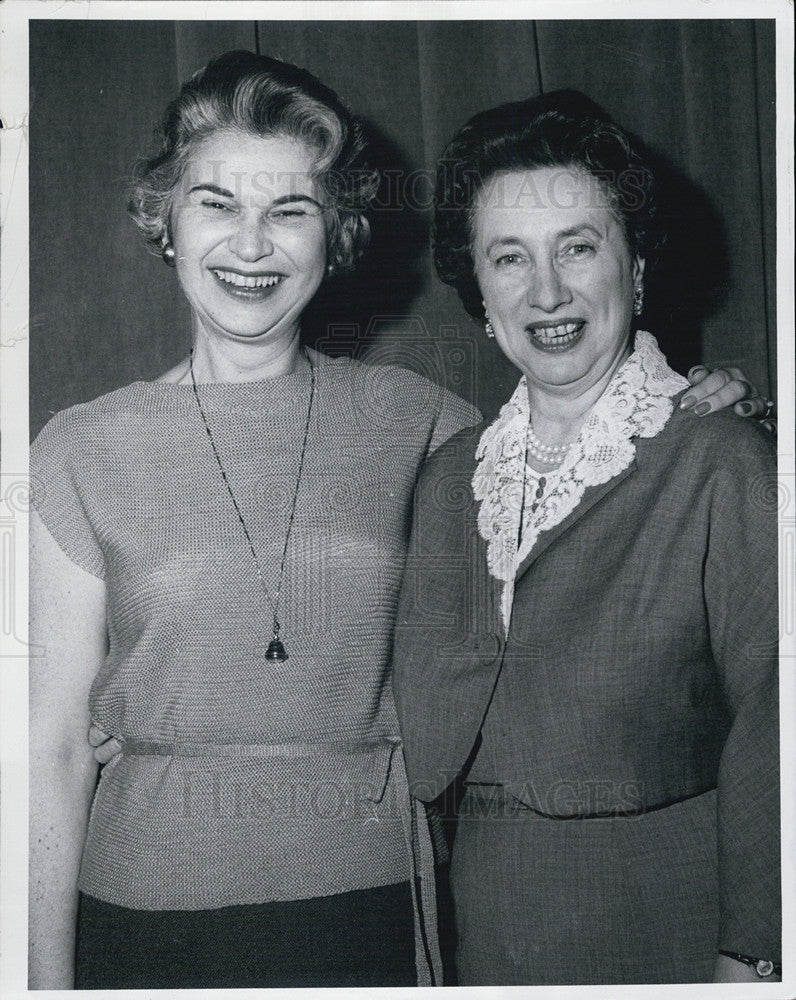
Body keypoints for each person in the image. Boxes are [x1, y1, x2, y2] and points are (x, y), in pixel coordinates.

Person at [29, 52, 765, 989]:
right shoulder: (81, 446)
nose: (251, 245)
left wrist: (712, 399)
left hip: (370, 899)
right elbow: (50, 751)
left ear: (332, 236)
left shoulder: (425, 422)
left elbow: (581, 442)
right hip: (145, 912)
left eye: (289, 210)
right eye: (217, 203)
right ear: (165, 220)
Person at [392, 90, 780, 986]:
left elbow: (779, 724)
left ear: (635, 266)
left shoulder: (721, 454)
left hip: (674, 925)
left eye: (578, 246)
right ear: (480, 295)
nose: (549, 292)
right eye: (510, 259)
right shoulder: (452, 476)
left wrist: (755, 953)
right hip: (488, 936)